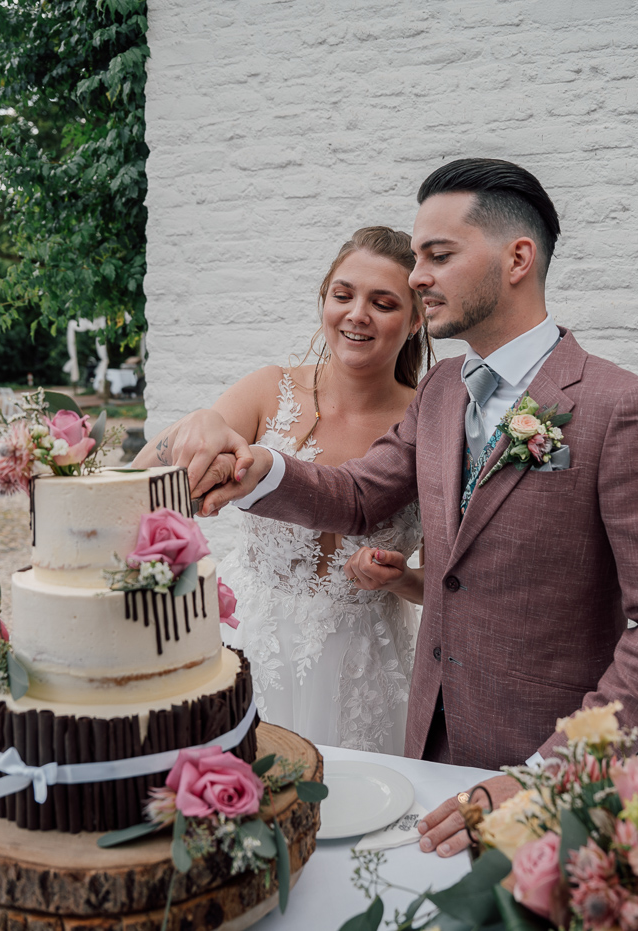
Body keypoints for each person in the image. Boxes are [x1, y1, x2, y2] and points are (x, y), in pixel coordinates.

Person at [163, 158, 638, 859]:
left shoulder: (623, 409)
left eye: (438, 255)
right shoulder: (444, 388)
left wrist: (549, 776)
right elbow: (359, 495)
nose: (417, 275)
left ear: (518, 258)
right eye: (417, 256)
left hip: (540, 770)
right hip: (423, 748)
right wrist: (254, 463)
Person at [135, 226, 434, 753]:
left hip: (364, 663)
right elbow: (144, 483)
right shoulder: (270, 390)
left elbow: (450, 585)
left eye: (383, 303)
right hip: (251, 642)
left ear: (416, 320)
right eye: (343, 295)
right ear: (325, 301)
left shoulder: (431, 421)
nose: (357, 313)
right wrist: (199, 422)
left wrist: (400, 581)